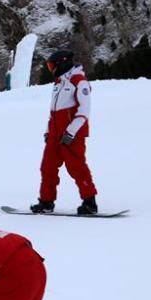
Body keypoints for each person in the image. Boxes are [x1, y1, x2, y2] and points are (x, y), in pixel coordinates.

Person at [30, 49, 99, 215]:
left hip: (71, 136)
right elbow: (53, 111)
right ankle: (46, 201)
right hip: (54, 135)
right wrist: (48, 131)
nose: (51, 69)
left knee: (76, 167)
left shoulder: (79, 81)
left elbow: (84, 111)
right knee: (47, 167)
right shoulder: (58, 83)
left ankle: (89, 202)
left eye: (52, 65)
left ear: (63, 63)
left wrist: (71, 132)